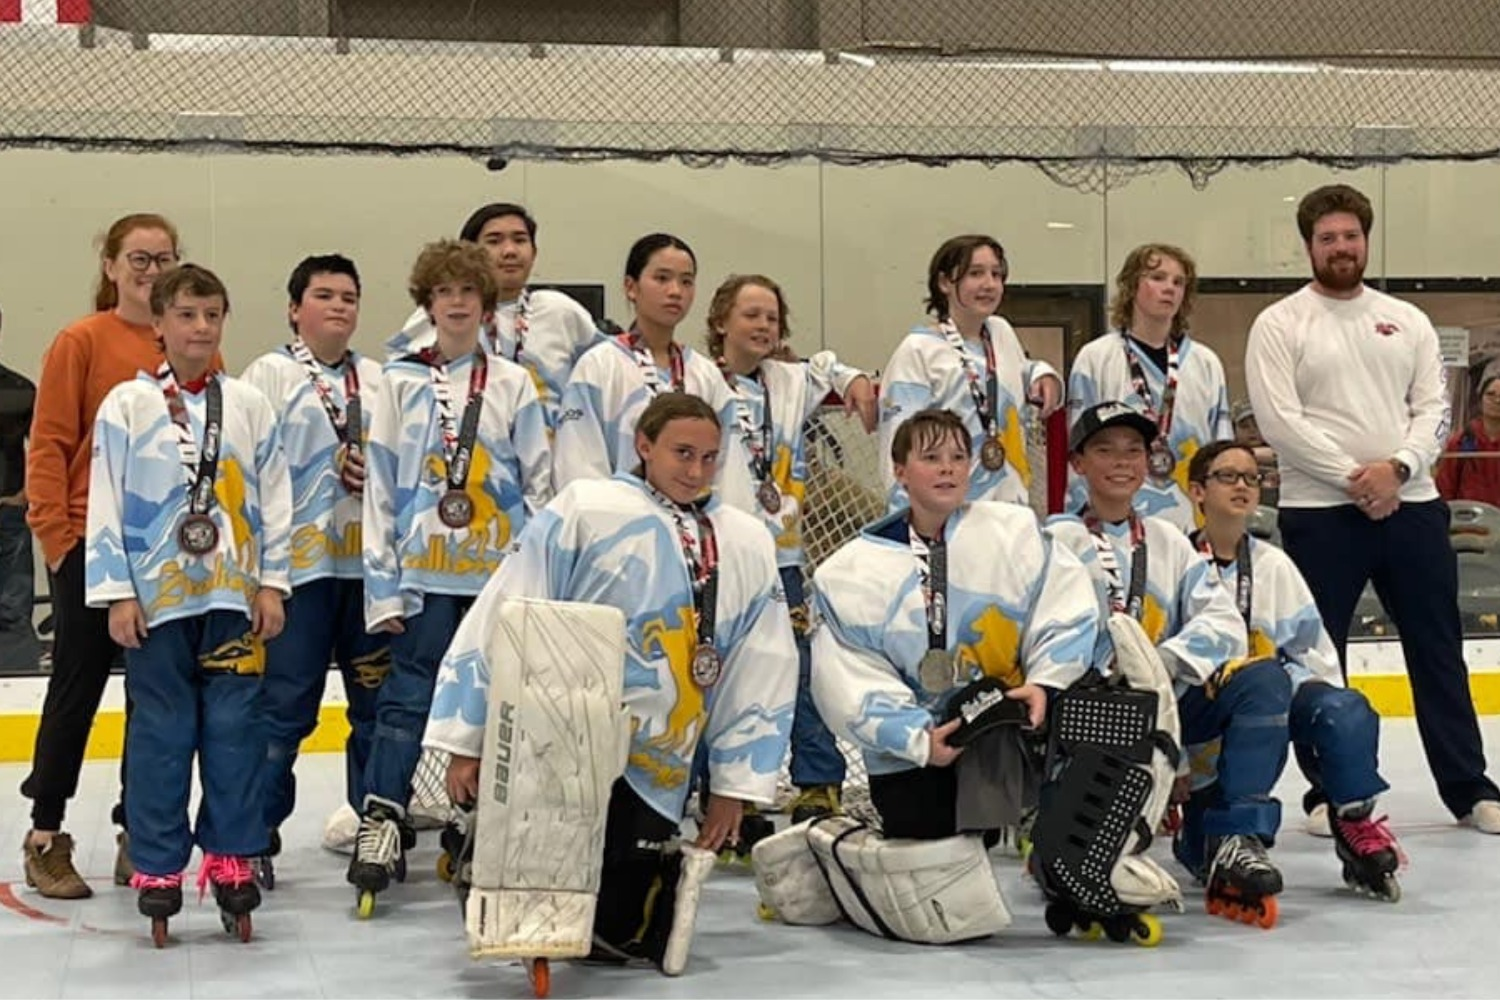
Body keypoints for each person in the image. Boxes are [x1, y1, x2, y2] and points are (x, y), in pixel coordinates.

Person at [423, 392, 797, 972]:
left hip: (661, 765)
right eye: (681, 452)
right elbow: (507, 613)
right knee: (534, 904)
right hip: (560, 743)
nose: (695, 471)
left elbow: (761, 667)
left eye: (709, 457)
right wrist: (468, 742)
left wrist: (732, 786)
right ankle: (474, 850)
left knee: (616, 939)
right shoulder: (585, 509)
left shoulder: (747, 540)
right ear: (643, 445)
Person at [1245, 182, 1500, 835]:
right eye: (1327, 238)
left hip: (1412, 508)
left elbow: (1433, 409)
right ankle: (1330, 794)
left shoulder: (1406, 320)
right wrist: (1355, 478)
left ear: (1366, 240)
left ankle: (1470, 789)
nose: (1340, 247)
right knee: (1321, 659)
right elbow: (1280, 421)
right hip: (1319, 513)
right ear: (1309, 247)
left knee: (1438, 649)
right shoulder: (1280, 324)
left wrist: (1401, 470)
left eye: (1350, 236)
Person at [85, 264, 291, 943]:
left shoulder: (250, 404)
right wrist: (116, 592)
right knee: (160, 735)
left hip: (233, 596)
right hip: (154, 600)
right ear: (161, 323)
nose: (200, 328)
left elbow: (275, 497)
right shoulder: (125, 405)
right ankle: (157, 864)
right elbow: (107, 501)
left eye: (212, 315)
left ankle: (232, 853)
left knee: (236, 733)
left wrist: (272, 582)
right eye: (187, 315)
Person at [351, 239, 553, 912]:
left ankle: (478, 824)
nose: (458, 302)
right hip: (424, 578)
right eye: (445, 292)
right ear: (427, 303)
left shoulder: (513, 384)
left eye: (470, 292)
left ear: (485, 304)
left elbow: (541, 486)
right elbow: (379, 491)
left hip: (498, 581)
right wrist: (382, 589)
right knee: (407, 699)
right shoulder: (399, 382)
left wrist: (540, 580)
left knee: (497, 705)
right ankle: (383, 818)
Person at [1046, 402, 1290, 927]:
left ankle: (1235, 837)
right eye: (1105, 450)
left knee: (1264, 680)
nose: (1122, 462)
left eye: (1135, 451)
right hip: (1088, 711)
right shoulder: (1054, 541)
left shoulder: (1168, 543)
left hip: (1163, 701)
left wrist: (1159, 665)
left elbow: (1222, 624)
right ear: (1079, 463)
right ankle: (1067, 839)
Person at [810, 407, 1097, 840]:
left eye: (958, 456)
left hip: (1000, 731)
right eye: (930, 457)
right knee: (930, 864)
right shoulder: (848, 573)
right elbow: (847, 676)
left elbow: (1064, 608)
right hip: (911, 753)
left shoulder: (1014, 534)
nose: (947, 467)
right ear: (900, 472)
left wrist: (1047, 682)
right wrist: (917, 739)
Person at [21, 212, 188, 898]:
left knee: (155, 699)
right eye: (139, 259)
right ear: (112, 266)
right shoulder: (81, 341)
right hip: (90, 548)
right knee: (76, 691)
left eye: (164, 259)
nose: (151, 271)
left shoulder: (185, 344)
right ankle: (44, 834)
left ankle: (138, 832)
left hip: (167, 556)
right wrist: (58, 541)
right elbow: (50, 444)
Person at [1187, 440, 1405, 901]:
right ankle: (1223, 834)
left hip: (1265, 707)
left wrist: (1317, 718)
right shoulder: (1175, 562)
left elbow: (1314, 657)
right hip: (1200, 712)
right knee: (1196, 850)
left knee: (1342, 707)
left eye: (1252, 477)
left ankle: (1351, 819)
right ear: (1197, 491)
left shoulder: (1273, 565)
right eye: (1228, 476)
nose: (1243, 486)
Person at [703, 273, 876, 824]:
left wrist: (851, 379)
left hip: (783, 560)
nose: (763, 326)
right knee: (722, 672)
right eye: (750, 315)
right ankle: (724, 790)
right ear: (721, 322)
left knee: (802, 668)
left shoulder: (786, 380)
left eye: (772, 318)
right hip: (722, 557)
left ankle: (818, 781)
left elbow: (824, 366)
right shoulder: (702, 381)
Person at [240, 254, 388, 889]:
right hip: (297, 575)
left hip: (369, 572)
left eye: (349, 297)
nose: (338, 307)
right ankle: (256, 833)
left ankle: (375, 830)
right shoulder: (266, 378)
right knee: (283, 709)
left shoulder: (383, 380)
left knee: (377, 708)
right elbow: (246, 478)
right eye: (324, 295)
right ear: (295, 308)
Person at [877, 234, 1062, 510]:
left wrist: (1042, 374)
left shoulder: (1001, 332)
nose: (989, 284)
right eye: (975, 273)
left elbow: (1018, 373)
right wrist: (914, 528)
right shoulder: (918, 351)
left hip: (1011, 514)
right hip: (948, 519)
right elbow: (899, 448)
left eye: (997, 274)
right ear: (944, 283)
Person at [386, 202, 604, 431]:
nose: (509, 251)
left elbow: (606, 373)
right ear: (470, 254)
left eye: (520, 240)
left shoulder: (560, 311)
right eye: (494, 241)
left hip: (555, 455)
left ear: (534, 252)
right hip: (472, 453)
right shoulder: (440, 316)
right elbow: (400, 391)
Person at [1066, 243, 1232, 532]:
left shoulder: (1206, 363)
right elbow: (1078, 447)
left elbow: (1221, 451)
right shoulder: (1096, 359)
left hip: (1192, 520)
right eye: (1157, 278)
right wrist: (1084, 522)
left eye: (1178, 282)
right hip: (1115, 519)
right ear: (1132, 286)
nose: (1169, 288)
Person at [554, 233, 734, 488]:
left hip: (691, 523)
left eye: (686, 282)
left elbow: (727, 472)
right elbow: (579, 467)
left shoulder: (706, 375)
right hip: (620, 521)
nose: (675, 291)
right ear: (631, 287)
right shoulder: (599, 365)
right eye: (662, 278)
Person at [0, 304, 38, 652]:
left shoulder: (20, 390)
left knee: (13, 608)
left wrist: (28, 494)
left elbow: (44, 448)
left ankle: (16, 678)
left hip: (8, 514)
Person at [1436, 374, 1500, 507]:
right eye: (1490, 394)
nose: (1497, 400)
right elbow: (1445, 487)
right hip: (1467, 521)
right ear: (1480, 399)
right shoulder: (1461, 441)